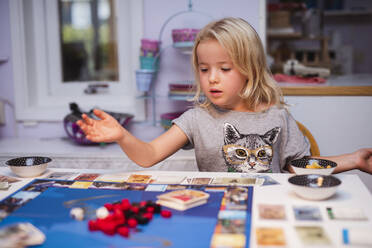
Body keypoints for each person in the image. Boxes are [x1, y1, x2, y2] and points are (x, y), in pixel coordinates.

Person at [77, 17, 372, 174]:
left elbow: (299, 167)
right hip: (219, 215)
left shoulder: (276, 116)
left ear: (249, 68)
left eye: (225, 68)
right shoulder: (195, 119)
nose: (212, 78)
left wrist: (354, 159)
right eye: (204, 69)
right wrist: (121, 136)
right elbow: (150, 155)